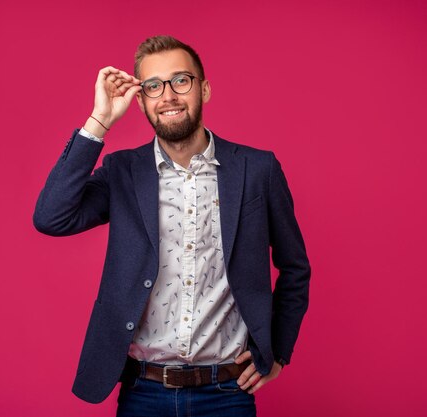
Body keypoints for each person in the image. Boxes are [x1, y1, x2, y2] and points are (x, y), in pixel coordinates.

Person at [33, 35, 311, 417]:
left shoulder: (257, 170)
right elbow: (51, 217)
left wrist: (278, 352)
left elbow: (295, 266)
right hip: (144, 392)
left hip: (227, 392)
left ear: (204, 89)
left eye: (181, 81)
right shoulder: (123, 172)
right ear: (143, 99)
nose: (168, 96)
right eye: (153, 86)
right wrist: (99, 121)